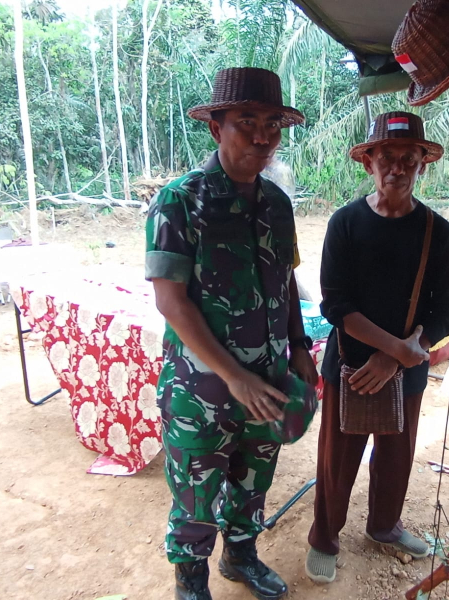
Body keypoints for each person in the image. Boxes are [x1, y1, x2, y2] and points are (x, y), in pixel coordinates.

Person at [145, 67, 318, 600]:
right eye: (247, 122)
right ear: (216, 127)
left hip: (266, 383)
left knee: (253, 482)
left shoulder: (277, 204)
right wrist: (233, 377)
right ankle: (191, 580)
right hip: (202, 391)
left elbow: (285, 282)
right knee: (196, 495)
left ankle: (241, 557)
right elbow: (170, 301)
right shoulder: (179, 201)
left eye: (272, 123)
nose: (263, 136)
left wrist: (300, 349)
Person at [305, 112, 449, 583]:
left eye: (408, 160)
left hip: (406, 369)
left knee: (397, 456)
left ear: (422, 166)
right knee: (337, 459)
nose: (397, 168)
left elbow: (448, 309)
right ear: (368, 163)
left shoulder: (438, 232)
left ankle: (384, 526)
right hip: (350, 365)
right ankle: (325, 537)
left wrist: (398, 357)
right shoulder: (346, 224)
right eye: (387, 158)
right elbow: (336, 305)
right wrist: (394, 349)